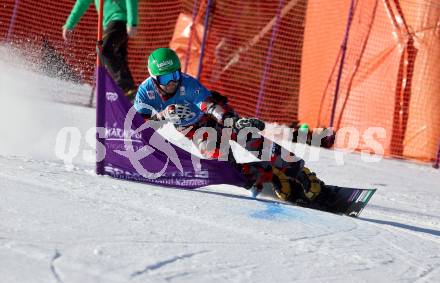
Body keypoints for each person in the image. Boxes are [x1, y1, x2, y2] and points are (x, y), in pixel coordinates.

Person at [134, 47, 325, 205]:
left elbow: (209, 106)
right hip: (196, 130)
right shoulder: (145, 93)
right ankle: (268, 174)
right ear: (154, 79)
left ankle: (299, 171)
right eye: (166, 79)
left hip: (216, 118)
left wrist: (233, 122)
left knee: (250, 139)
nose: (173, 82)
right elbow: (138, 128)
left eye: (175, 74)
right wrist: (161, 116)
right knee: (224, 167)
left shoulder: (187, 84)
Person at [63, 0, 139, 101]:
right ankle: (131, 93)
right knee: (119, 55)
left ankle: (126, 87)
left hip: (120, 19)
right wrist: (69, 24)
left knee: (103, 48)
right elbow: (82, 3)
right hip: (109, 23)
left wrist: (132, 22)